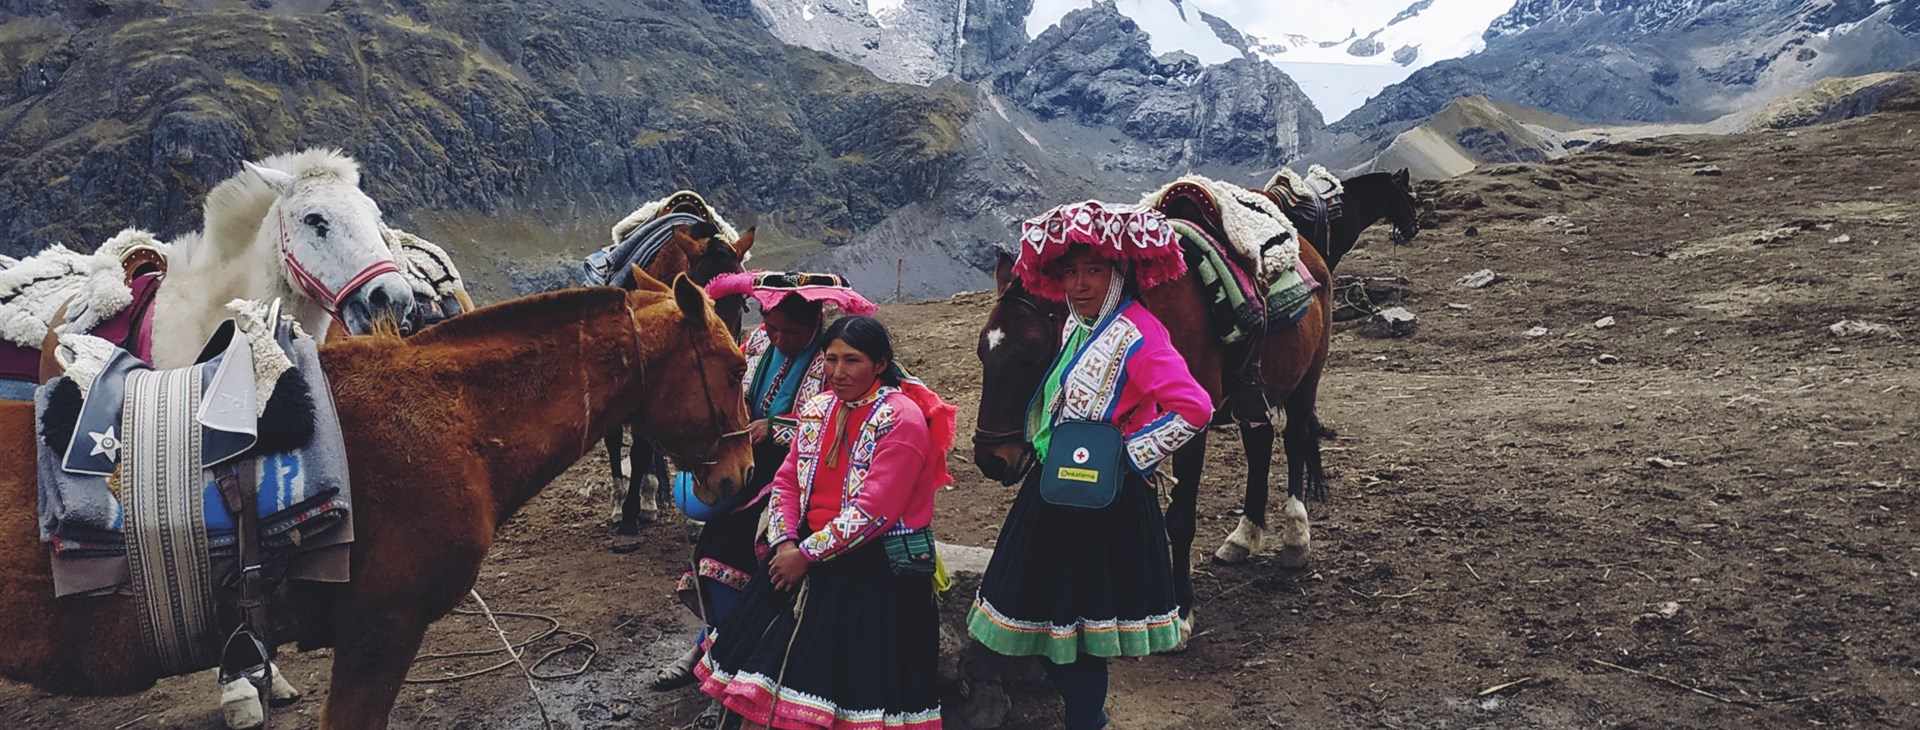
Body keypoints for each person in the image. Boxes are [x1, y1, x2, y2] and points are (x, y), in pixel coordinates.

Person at [967, 201, 1214, 730]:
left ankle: (1088, 721)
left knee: (1083, 634)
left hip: (1105, 502)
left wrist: (1128, 455)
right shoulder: (1081, 328)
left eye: (1094, 271)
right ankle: (1086, 716)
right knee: (1054, 620)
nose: (1079, 284)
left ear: (1119, 273)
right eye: (1071, 273)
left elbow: (1194, 406)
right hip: (1058, 491)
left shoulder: (1140, 335)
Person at [697, 315, 957, 730]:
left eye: (852, 360)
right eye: (831, 359)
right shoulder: (817, 410)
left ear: (880, 364)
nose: (838, 372)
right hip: (796, 557)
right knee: (761, 681)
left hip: (870, 571)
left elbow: (876, 510)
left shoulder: (901, 419)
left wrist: (804, 554)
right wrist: (784, 544)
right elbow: (786, 481)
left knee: (843, 695)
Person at [653, 273, 881, 726]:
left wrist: (774, 427)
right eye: (773, 329)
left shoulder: (830, 359)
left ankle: (737, 661)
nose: (780, 339)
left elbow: (842, 419)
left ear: (815, 322)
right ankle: (715, 644)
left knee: (740, 552)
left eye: (791, 333)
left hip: (804, 473)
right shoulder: (756, 344)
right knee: (710, 552)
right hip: (747, 462)